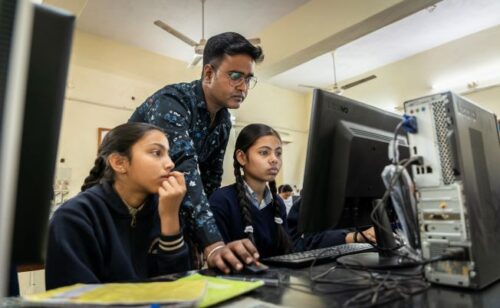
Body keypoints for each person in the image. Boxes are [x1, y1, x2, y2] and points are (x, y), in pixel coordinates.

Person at [129, 32, 264, 272]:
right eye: (235, 76)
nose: (243, 87)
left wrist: (203, 241)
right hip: (126, 212)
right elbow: (184, 170)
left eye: (248, 78)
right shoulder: (172, 101)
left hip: (168, 213)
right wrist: (212, 243)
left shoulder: (223, 121)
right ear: (209, 73)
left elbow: (210, 179)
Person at [45, 123, 191, 289]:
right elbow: (75, 298)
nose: (170, 163)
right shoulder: (74, 217)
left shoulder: (166, 207)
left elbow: (179, 287)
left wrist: (170, 218)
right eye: (156, 153)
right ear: (119, 163)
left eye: (168, 154)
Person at [209, 124, 292, 258]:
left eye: (278, 153)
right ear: (242, 157)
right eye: (264, 152)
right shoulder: (221, 201)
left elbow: (287, 253)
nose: (274, 159)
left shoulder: (278, 204)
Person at [287, 197, 376, 252]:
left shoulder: (364, 200)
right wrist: (357, 237)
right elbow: (310, 243)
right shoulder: (313, 201)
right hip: (309, 263)